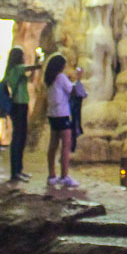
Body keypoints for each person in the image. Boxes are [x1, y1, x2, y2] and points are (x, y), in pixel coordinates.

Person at [3, 46, 40, 183]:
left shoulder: (14, 71)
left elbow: (29, 78)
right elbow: (30, 68)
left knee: (20, 137)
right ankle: (15, 172)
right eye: (22, 55)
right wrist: (39, 63)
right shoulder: (17, 69)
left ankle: (19, 170)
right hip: (19, 105)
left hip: (20, 105)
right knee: (18, 138)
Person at [43, 53, 79, 188]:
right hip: (62, 114)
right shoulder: (61, 77)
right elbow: (72, 90)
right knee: (66, 145)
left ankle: (52, 175)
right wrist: (78, 79)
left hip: (52, 114)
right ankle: (64, 176)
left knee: (53, 145)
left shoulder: (49, 78)